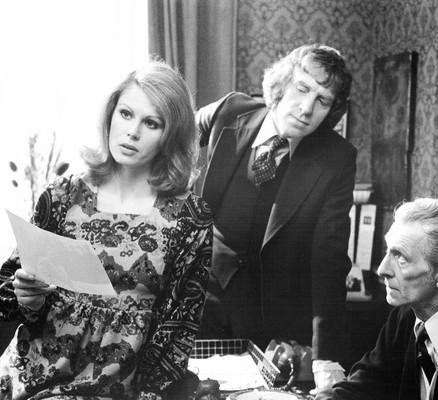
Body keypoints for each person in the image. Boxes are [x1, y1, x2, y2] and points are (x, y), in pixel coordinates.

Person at [0, 61, 213, 399]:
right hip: (32, 380)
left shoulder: (189, 218)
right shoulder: (62, 196)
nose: (132, 132)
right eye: (126, 114)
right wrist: (30, 299)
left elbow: (177, 332)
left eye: (151, 123)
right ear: (110, 115)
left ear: (170, 135)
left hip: (119, 390)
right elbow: (9, 297)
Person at [196, 43, 357, 394]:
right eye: (302, 89)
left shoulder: (337, 158)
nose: (306, 108)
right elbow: (172, 131)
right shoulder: (230, 110)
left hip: (273, 329)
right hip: (201, 303)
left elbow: (329, 260)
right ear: (282, 84)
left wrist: (325, 358)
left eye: (322, 101)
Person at [330, 198, 438, 400]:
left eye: (401, 257)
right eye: (388, 251)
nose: (382, 270)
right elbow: (361, 385)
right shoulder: (402, 319)